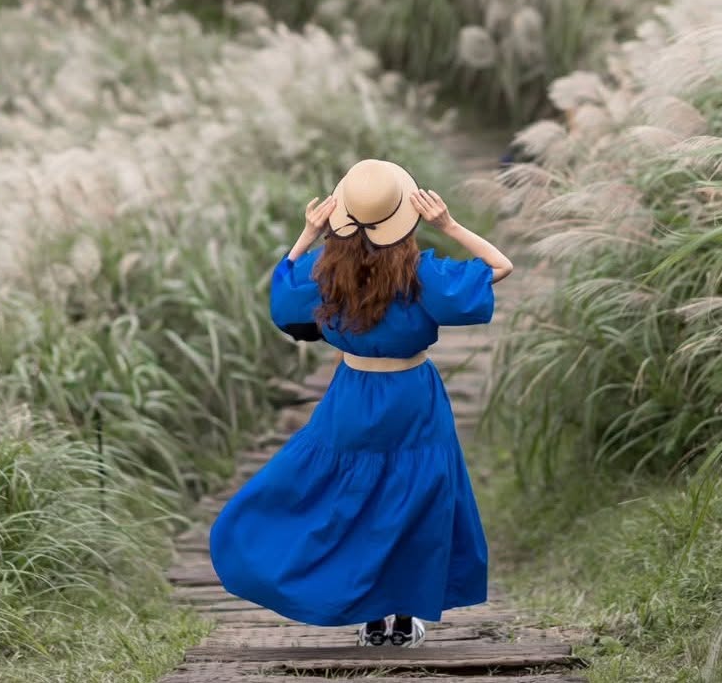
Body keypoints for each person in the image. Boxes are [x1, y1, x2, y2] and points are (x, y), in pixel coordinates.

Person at [208, 157, 515, 648]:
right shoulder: (421, 273)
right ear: (406, 216)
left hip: (351, 396)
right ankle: (402, 614)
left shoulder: (324, 271)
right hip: (413, 396)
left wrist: (308, 234)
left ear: (341, 216)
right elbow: (501, 266)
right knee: (413, 499)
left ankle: (369, 612)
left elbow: (283, 293)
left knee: (349, 498)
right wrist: (448, 224)